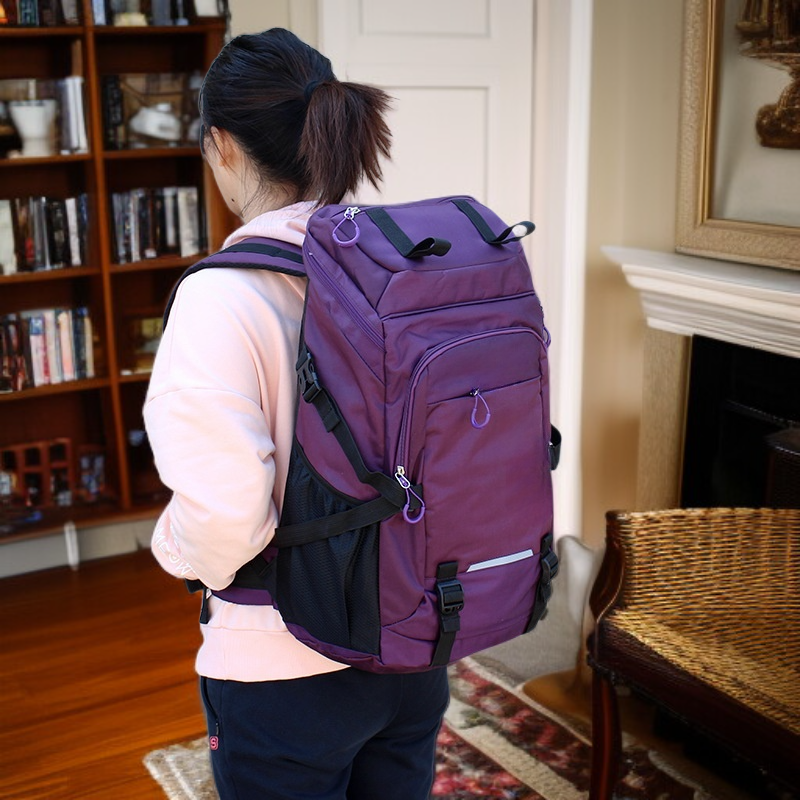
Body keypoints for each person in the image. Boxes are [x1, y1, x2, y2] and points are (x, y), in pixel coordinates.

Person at [144, 28, 449, 800]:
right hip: (414, 638)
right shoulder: (397, 264)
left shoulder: (221, 297)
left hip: (283, 670)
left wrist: (176, 552)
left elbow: (226, 517)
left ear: (222, 145)